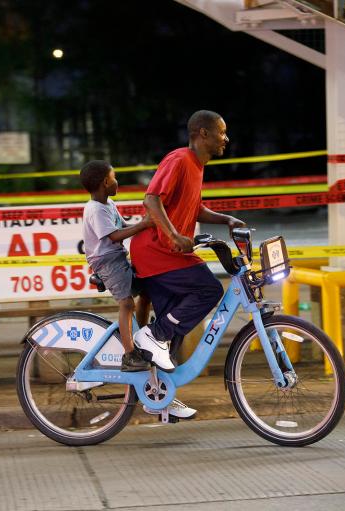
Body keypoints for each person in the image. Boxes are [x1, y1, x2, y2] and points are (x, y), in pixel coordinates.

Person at [130, 110, 245, 419]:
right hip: (157, 252)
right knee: (208, 290)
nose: (226, 138)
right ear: (203, 133)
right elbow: (151, 199)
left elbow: (194, 207)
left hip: (170, 253)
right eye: (222, 132)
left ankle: (159, 393)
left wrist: (226, 219)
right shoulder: (179, 159)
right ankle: (153, 335)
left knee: (174, 331)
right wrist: (175, 235)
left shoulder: (196, 166)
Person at [80, 160, 153, 372]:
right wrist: (143, 225)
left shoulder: (108, 205)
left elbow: (123, 227)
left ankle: (140, 337)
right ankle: (129, 354)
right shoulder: (96, 210)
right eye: (114, 178)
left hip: (117, 257)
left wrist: (146, 225)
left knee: (147, 291)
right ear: (105, 183)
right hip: (106, 261)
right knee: (127, 304)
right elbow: (114, 236)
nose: (116, 182)